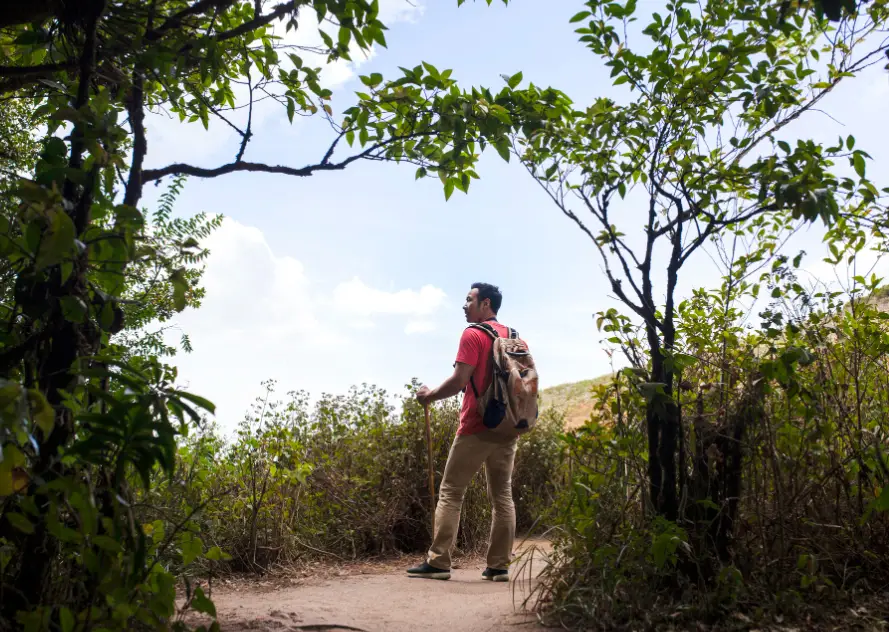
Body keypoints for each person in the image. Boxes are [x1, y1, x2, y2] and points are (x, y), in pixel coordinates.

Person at [407, 282, 528, 582]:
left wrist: (429, 396)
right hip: (508, 427)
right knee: (502, 496)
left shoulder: (472, 334)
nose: (464, 305)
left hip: (477, 426)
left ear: (486, 304)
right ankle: (499, 566)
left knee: (451, 492)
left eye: (469, 299)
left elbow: (460, 380)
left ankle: (438, 562)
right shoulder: (515, 338)